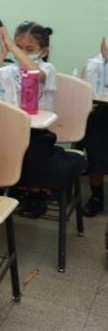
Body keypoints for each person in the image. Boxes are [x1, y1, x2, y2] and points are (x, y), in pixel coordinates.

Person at [0, 22, 57, 218]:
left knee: (35, 149)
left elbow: (35, 74)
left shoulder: (47, 68)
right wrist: (2, 55)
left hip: (37, 130)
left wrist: (13, 45)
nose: (21, 53)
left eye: (29, 49)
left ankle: (37, 195)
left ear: (43, 51)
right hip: (11, 127)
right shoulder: (10, 70)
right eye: (18, 47)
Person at [78, 37, 108, 216]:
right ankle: (97, 197)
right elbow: (86, 88)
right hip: (101, 110)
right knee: (96, 146)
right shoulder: (95, 64)